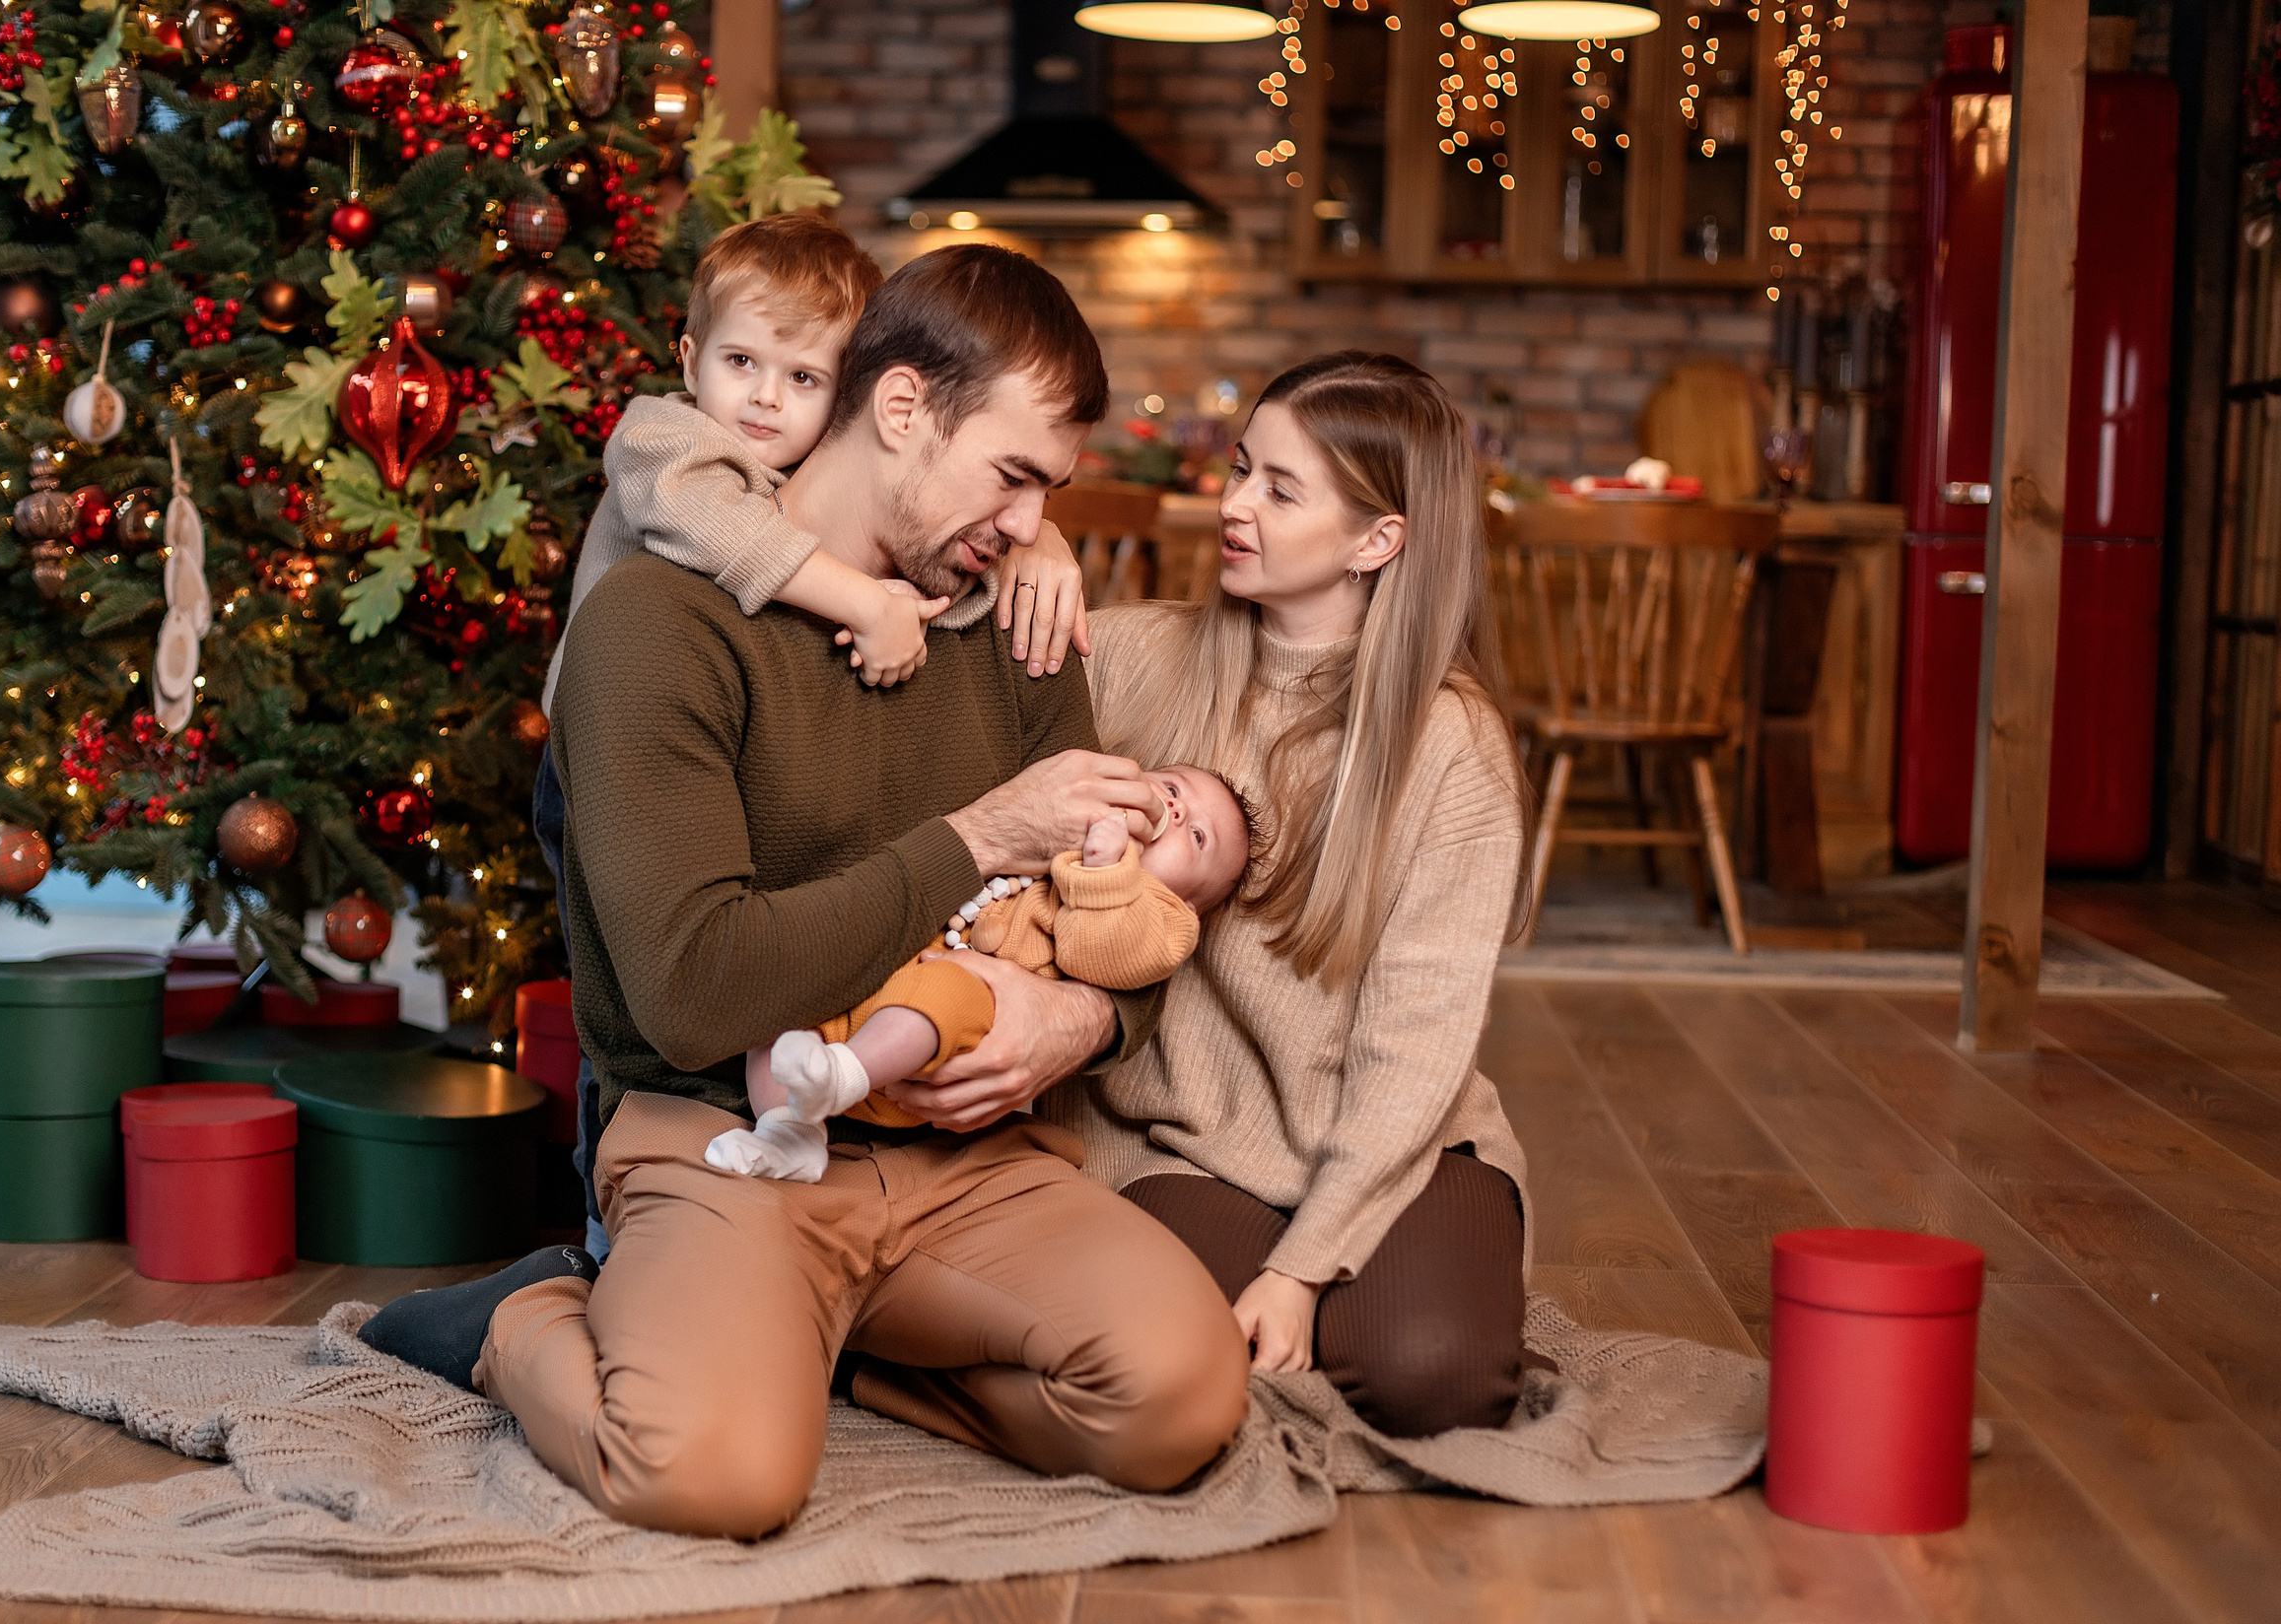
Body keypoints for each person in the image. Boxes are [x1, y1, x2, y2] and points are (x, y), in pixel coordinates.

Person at [364, 243, 1252, 1538]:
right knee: (709, 1476)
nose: (1027, 527)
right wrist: (975, 833)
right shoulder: (656, 626)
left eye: (1046, 493)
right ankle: (518, 1318)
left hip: (963, 1161)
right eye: (1012, 477)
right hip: (728, 1137)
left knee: (1178, 1401)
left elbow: (1099, 920)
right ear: (901, 409)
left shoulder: (1015, 625)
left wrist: (1092, 1023)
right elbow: (691, 991)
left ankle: (819, 1345)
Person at [526, 213, 1093, 1252]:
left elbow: (1106, 900)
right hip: (609, 777)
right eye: (1012, 476)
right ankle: (588, 1261)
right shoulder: (680, 473)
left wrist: (1035, 533)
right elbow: (737, 539)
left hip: (913, 1137)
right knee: (621, 992)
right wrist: (868, 605)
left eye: (801, 377)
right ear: (899, 407)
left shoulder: (1004, 598)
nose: (766, 399)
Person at [1060, 351, 1535, 1440]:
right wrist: (1039, 547)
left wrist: (1307, 1267)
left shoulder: (1448, 749)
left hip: (1393, 1143)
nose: (1234, 506)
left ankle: (1354, 1294)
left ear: (1379, 540)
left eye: (1280, 489)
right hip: (1182, 1138)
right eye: (1239, 472)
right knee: (1175, 1352)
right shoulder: (1136, 658)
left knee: (1436, 1380)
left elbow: (1416, 1048)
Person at [713, 765, 1252, 1182]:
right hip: (888, 976)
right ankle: (790, 1133)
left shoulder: (1163, 917)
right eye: (1173, 789)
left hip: (967, 1022)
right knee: (785, 1011)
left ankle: (843, 1076)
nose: (1177, 813)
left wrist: (1107, 871)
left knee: (947, 990)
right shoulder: (1063, 822)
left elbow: (1101, 956)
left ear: (1192, 903)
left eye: (1199, 838)